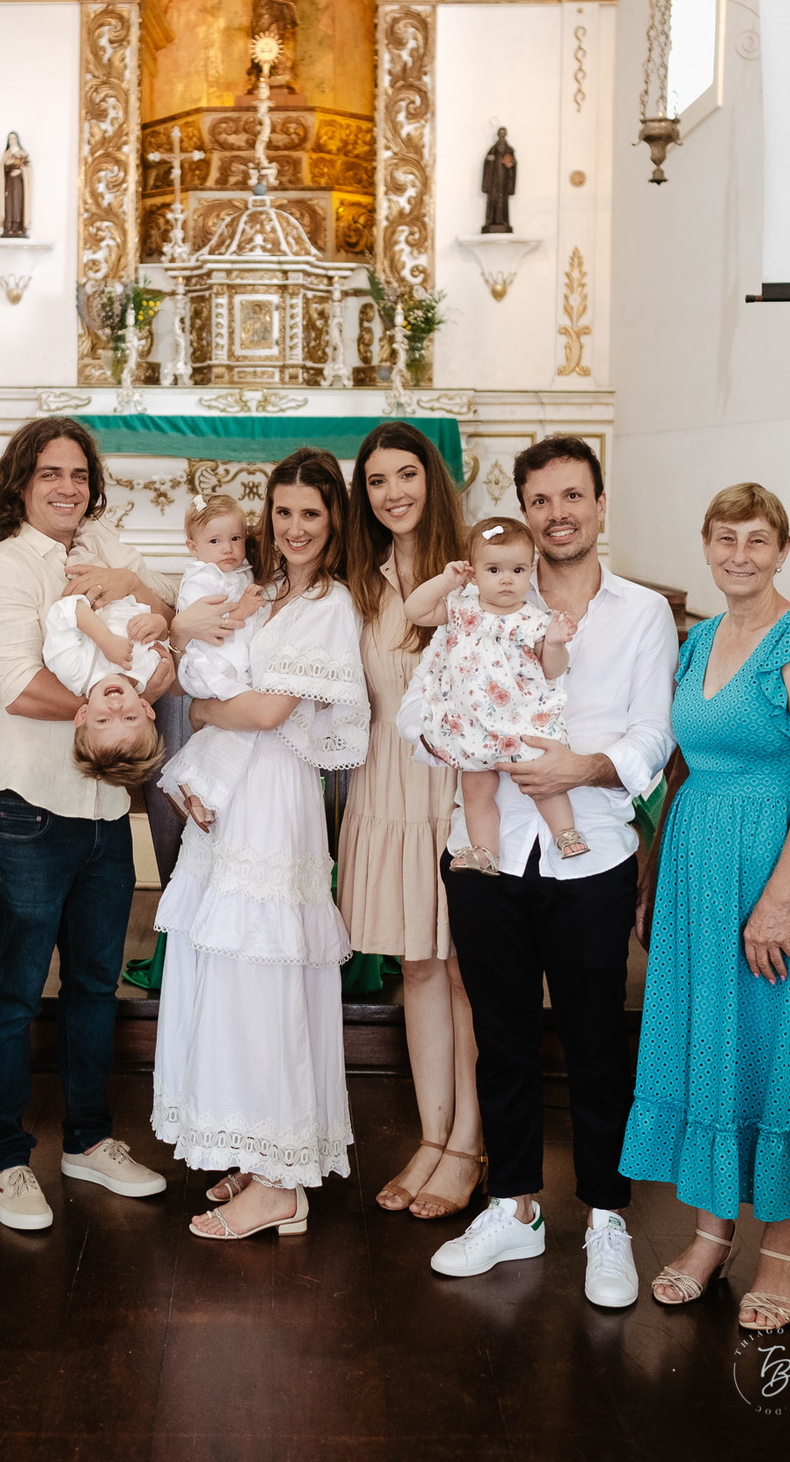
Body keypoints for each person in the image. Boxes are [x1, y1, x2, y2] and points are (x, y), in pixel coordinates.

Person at [423, 435, 677, 1308]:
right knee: (500, 1036)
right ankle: (513, 1207)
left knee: (596, 1039)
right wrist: (456, 739)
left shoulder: (643, 613)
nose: (557, 513)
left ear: (601, 504)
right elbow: (433, 697)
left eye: (573, 496)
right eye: (541, 500)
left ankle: (607, 1218)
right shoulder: (487, 594)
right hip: (489, 845)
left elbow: (654, 729)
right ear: (522, 511)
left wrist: (587, 769)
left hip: (593, 844)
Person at [621, 483, 790, 1331]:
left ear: (783, 550)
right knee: (709, 1047)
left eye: (757, 541)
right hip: (697, 869)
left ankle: (784, 1253)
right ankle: (709, 1236)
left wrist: (777, 901)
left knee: (776, 1047)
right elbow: (681, 765)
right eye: (725, 539)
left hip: (774, 871)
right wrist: (655, 882)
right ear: (707, 545)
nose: (739, 556)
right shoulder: (702, 640)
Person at [0, 416, 176, 1230]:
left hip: (101, 808)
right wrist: (116, 700)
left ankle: (89, 1141)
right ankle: (9, 1160)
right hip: (28, 807)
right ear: (21, 484)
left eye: (79, 475)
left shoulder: (107, 553)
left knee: (94, 985)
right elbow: (18, 686)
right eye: (50, 474)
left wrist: (136, 606)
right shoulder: (5, 567)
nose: (67, 488)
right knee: (16, 992)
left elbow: (165, 631)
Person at [153, 448, 370, 1240]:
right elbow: (190, 659)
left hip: (276, 795)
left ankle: (281, 1182)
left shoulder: (329, 605)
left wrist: (208, 716)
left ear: (333, 519)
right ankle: (254, 1147)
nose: (295, 527)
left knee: (268, 973)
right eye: (283, 512)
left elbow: (271, 713)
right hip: (232, 794)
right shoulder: (261, 592)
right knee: (228, 967)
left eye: (311, 513)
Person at [338, 423, 485, 1222]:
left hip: (458, 791)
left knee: (466, 971)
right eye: (376, 481)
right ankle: (433, 1138)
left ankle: (469, 1143)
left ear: (432, 478)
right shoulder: (358, 575)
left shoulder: (473, 568)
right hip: (386, 790)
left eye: (406, 475)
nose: (393, 493)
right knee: (419, 969)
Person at [404, 516, 583, 867]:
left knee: (541, 779)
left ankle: (566, 832)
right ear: (473, 572)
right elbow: (415, 610)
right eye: (494, 570)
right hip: (473, 721)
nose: (506, 579)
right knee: (475, 789)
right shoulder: (459, 607)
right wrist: (445, 581)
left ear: (530, 569)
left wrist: (557, 643)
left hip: (521, 714)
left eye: (517, 570)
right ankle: (485, 852)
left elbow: (551, 670)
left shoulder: (535, 619)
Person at [159, 491, 266, 828]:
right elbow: (212, 628)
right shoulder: (201, 578)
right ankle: (193, 781)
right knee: (246, 718)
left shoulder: (237, 571)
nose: (228, 549)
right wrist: (244, 610)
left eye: (236, 538)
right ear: (194, 547)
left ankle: (196, 786)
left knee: (228, 730)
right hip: (208, 665)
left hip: (230, 661)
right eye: (216, 540)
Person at [42, 582, 167, 787]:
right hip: (129, 583)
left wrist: (105, 640)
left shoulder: (73, 671)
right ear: (145, 708)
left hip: (89, 576)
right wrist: (160, 625)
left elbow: (64, 610)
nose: (116, 708)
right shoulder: (150, 670)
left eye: (103, 720)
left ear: (83, 715)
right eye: (129, 717)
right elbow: (165, 634)